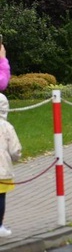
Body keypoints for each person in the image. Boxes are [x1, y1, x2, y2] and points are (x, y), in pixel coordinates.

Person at [0, 93, 21, 237]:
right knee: (0, 197)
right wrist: (16, 158)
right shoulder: (7, 127)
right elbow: (15, 149)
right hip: (2, 169)